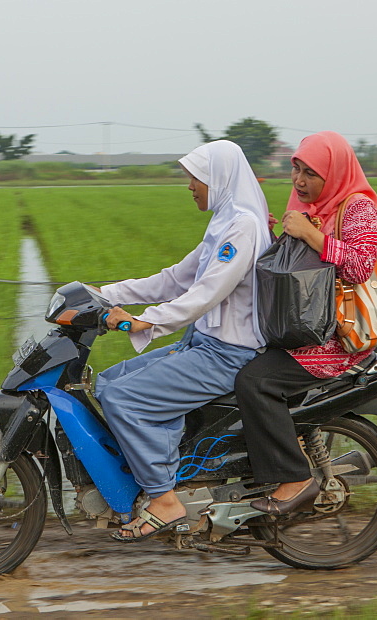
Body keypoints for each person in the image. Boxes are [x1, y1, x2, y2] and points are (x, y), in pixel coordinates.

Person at [96, 140, 272, 542]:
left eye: (195, 177)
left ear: (219, 178)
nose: (189, 185)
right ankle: (156, 478)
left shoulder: (242, 226)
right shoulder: (225, 220)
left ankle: (164, 497)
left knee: (126, 399)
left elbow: (205, 293)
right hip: (203, 343)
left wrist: (144, 322)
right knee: (107, 383)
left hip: (229, 354)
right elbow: (176, 278)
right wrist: (105, 294)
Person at [235, 131, 377, 515]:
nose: (300, 181)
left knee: (256, 381)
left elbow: (361, 267)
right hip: (303, 326)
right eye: (296, 169)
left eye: (311, 173)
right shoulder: (307, 205)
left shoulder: (356, 208)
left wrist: (310, 234)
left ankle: (294, 478)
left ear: (333, 173)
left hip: (336, 339)